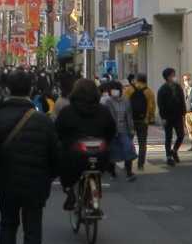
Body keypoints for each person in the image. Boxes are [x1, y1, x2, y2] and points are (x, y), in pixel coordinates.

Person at [0, 71, 63, 244]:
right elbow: (56, 155)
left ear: (7, 89)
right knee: (32, 229)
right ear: (31, 90)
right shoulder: (43, 121)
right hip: (36, 184)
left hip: (6, 182)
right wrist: (48, 177)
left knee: (7, 225)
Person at [53, 79, 116, 211]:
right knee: (98, 169)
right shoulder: (103, 111)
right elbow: (111, 130)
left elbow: (58, 132)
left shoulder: (67, 111)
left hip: (74, 156)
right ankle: (95, 195)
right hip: (100, 155)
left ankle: (69, 190)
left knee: (64, 165)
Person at [99, 78, 138, 182]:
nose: (114, 91)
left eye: (116, 89)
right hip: (111, 131)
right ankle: (112, 172)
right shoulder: (107, 102)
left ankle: (129, 172)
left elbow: (129, 116)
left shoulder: (126, 101)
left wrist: (131, 129)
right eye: (112, 89)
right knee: (112, 152)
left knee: (128, 150)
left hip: (124, 130)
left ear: (120, 90)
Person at [156, 67, 186, 167]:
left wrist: (184, 113)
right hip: (167, 116)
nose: (174, 77)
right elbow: (160, 104)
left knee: (181, 135)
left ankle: (174, 150)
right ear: (168, 77)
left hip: (178, 115)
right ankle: (168, 157)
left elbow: (182, 100)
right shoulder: (162, 89)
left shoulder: (178, 87)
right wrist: (163, 117)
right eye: (173, 75)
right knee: (168, 137)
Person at [127, 74, 154, 169]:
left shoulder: (129, 90)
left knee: (128, 142)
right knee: (142, 143)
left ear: (136, 80)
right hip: (143, 120)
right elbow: (151, 106)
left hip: (130, 121)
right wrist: (150, 118)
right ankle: (141, 164)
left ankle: (128, 164)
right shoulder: (149, 91)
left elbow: (124, 103)